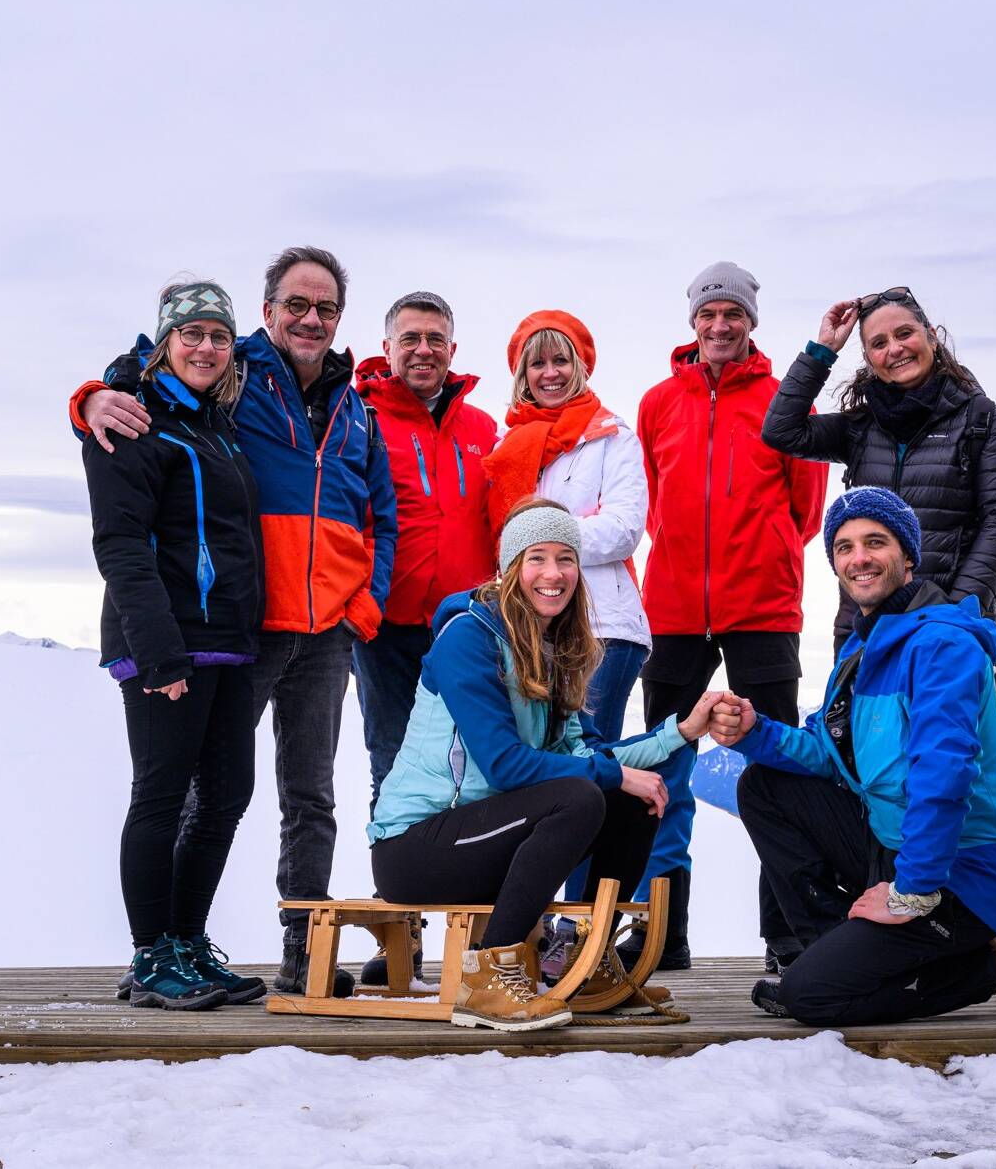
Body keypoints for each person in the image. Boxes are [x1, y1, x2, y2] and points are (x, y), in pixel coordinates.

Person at [71, 246, 397, 996]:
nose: (310, 318)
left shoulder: (348, 403)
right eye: (296, 304)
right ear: (269, 309)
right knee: (180, 788)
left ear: (338, 317)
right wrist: (89, 395)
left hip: (301, 631)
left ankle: (293, 953)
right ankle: (159, 949)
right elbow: (133, 385)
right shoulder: (237, 371)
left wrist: (364, 600)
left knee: (287, 793)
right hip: (242, 628)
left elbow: (381, 508)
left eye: (324, 307)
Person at [709, 487, 996, 1026]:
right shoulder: (862, 647)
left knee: (811, 1000)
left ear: (908, 557)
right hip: (891, 845)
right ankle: (832, 948)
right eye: (845, 547)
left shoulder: (942, 644)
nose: (859, 558)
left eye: (875, 542)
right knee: (763, 785)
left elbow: (943, 777)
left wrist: (913, 893)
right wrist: (756, 733)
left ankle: (983, 965)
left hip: (959, 870)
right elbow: (833, 756)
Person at [367, 499, 723, 1031]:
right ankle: (488, 976)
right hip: (417, 848)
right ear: (512, 567)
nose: (553, 574)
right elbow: (507, 766)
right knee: (583, 793)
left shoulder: (551, 647)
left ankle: (586, 957)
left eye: (566, 559)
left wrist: (680, 732)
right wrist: (609, 776)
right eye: (537, 558)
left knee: (628, 798)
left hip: (488, 836)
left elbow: (585, 760)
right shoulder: (467, 637)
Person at [622, 263, 827, 972]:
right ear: (692, 322)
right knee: (663, 767)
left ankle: (788, 934)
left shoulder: (780, 401)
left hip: (762, 606)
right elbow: (651, 496)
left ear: (750, 322)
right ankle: (660, 934)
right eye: (707, 313)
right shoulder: (656, 403)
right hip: (674, 607)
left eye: (731, 314)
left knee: (777, 766)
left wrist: (762, 553)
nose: (718, 325)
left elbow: (803, 510)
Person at [82, 281, 266, 1009]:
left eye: (218, 336)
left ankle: (187, 942)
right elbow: (120, 543)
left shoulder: (214, 424)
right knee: (160, 796)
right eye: (191, 333)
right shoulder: (131, 417)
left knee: (226, 795)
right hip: (165, 642)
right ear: (165, 341)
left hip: (226, 640)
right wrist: (157, 654)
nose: (205, 347)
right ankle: (151, 952)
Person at [483, 310, 650, 905]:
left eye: (561, 360)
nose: (550, 373)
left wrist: (541, 543)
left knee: (592, 774)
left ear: (582, 364)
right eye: (538, 361)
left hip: (602, 624)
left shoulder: (611, 437)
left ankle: (579, 921)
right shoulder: (509, 447)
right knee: (548, 772)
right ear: (521, 372)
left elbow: (626, 528)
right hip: (531, 630)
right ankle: (537, 916)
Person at [762, 287, 996, 656]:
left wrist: (956, 613)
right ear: (869, 358)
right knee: (859, 716)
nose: (895, 349)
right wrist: (822, 353)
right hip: (864, 626)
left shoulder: (980, 418)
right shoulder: (862, 427)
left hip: (949, 626)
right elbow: (781, 431)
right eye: (879, 343)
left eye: (904, 334)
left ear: (930, 335)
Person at [354, 292, 497, 809]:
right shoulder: (359, 418)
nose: (423, 350)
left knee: (477, 762)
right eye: (410, 338)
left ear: (452, 349)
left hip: (468, 624)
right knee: (394, 762)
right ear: (387, 347)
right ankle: (398, 884)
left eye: (435, 339)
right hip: (385, 624)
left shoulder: (482, 428)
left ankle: (464, 884)